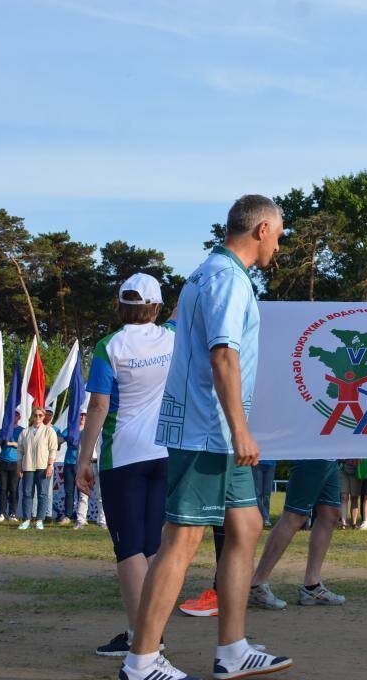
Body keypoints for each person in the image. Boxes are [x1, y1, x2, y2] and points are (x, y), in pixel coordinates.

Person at [121, 195, 291, 680]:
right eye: (278, 235)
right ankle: (141, 661)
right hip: (207, 431)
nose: (278, 246)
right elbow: (222, 356)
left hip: (213, 431)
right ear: (261, 230)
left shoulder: (212, 273)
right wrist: (240, 430)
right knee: (183, 538)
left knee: (246, 526)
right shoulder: (225, 279)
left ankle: (233, 650)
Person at [73, 273, 175, 656]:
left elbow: (99, 405)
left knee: (129, 549)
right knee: (152, 546)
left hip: (124, 457)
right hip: (164, 455)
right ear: (156, 306)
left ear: (119, 305)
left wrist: (83, 459)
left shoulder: (109, 346)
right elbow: (183, 311)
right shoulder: (172, 338)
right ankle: (152, 635)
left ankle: (141, 639)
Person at [249, 459, 347, 609]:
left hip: (330, 457)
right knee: (295, 515)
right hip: (313, 457)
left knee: (330, 513)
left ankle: (312, 587)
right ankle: (256, 586)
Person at [17, 407, 57, 530]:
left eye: (40, 415)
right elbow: (20, 451)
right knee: (27, 493)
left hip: (43, 467)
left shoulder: (49, 431)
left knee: (43, 494)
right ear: (32, 416)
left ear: (44, 417)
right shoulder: (25, 432)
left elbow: (53, 449)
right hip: (28, 466)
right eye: (35, 415)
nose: (38, 417)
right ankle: (26, 520)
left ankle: (40, 520)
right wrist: (19, 466)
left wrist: (50, 465)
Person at [0, 411, 23, 522]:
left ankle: (12, 514)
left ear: (19, 417)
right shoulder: (3, 430)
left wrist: (11, 443)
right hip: (3, 462)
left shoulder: (22, 431)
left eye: (16, 415)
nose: (13, 417)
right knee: (3, 489)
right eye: (12, 415)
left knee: (14, 489)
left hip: (16, 463)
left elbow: (24, 446)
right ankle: (1, 513)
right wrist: (3, 438)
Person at [54, 410, 81, 526]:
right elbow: (59, 440)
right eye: (80, 415)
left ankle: (81, 516)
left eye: (84, 415)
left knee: (81, 492)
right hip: (69, 463)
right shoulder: (71, 429)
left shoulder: (88, 429)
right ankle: (68, 516)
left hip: (81, 464)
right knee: (69, 491)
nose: (82, 418)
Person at [252, 459, 276, 528]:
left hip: (271, 464)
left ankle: (266, 518)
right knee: (258, 493)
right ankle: (258, 518)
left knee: (267, 494)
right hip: (257, 463)